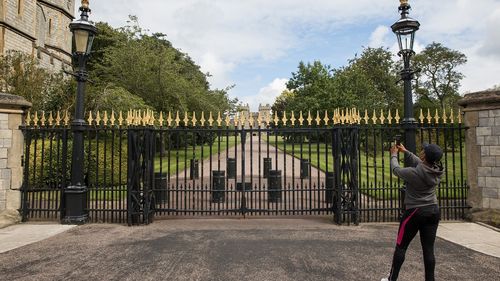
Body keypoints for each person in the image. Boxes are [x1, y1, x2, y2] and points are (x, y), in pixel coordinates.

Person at [381, 143, 444, 281]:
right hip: (433, 210)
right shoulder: (437, 170)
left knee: (401, 246)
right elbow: (422, 164)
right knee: (428, 250)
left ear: (424, 155)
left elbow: (395, 169)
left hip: (415, 211)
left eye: (423, 150)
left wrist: (394, 154)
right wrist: (406, 151)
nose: (421, 151)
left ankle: (392, 279)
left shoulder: (413, 173)